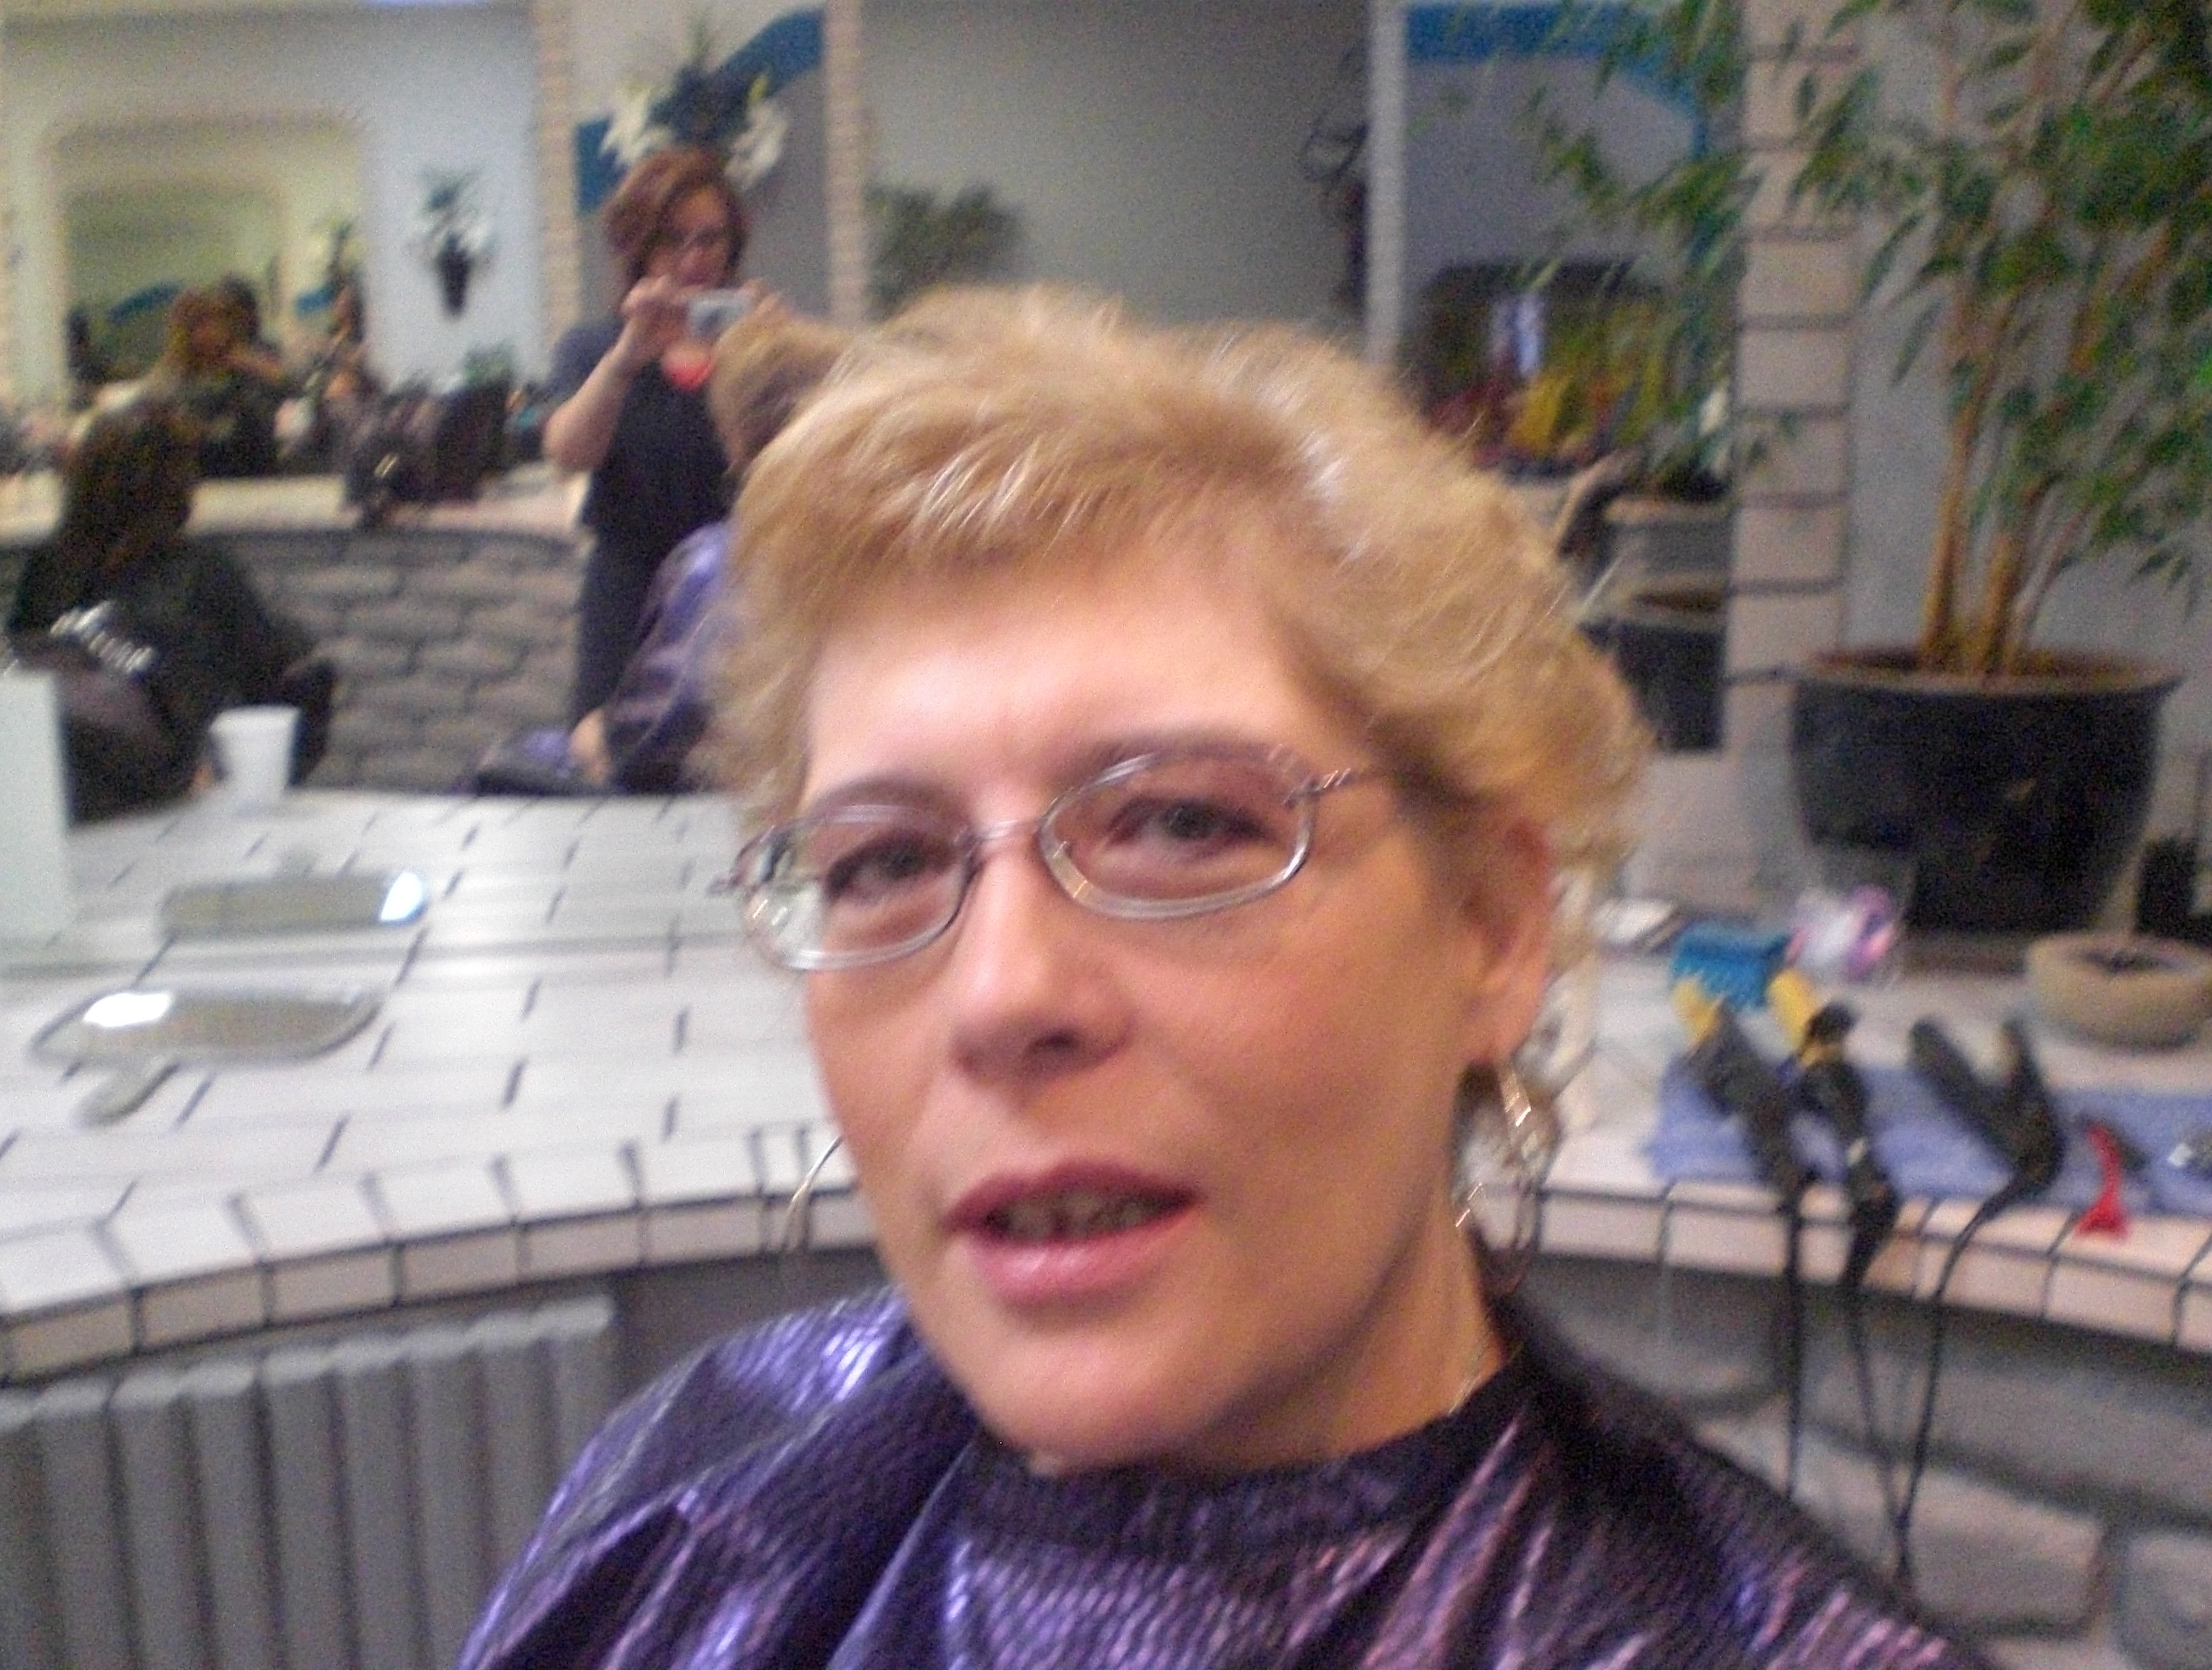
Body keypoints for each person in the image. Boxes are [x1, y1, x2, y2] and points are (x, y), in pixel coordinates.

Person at [459, 291, 1983, 1669]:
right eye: (884, 861)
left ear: (1492, 927)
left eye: (1183, 826)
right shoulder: (680, 1529)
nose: (1001, 997)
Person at [469, 305, 848, 797]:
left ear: (732, 436)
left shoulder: (713, 566)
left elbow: (644, 742)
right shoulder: (860, 551)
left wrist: (595, 737)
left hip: (698, 803)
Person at [10, 402, 333, 817]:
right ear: (175, 486)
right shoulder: (201, 572)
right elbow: (266, 681)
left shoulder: (50, 569)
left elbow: (20, 684)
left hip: (68, 792)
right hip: (175, 784)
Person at [543, 145, 750, 722]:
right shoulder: (594, 347)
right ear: (638, 247)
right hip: (628, 593)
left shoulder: (755, 344)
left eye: (710, 239)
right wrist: (626, 358)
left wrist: (771, 355)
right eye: (672, 240)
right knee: (604, 743)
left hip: (736, 588)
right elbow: (567, 453)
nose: (694, 259)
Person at [148, 286, 281, 478]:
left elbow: (287, 390)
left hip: (252, 468)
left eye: (218, 323)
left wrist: (259, 368)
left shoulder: (249, 363)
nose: (212, 332)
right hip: (197, 471)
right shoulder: (171, 373)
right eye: (200, 325)